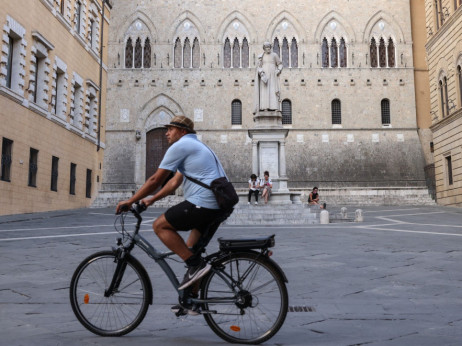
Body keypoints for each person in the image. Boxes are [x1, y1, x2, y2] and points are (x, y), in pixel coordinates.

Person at [116, 115, 230, 314]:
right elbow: (173, 183)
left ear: (182, 131)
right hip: (219, 205)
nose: (166, 133)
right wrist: (151, 200)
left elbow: (155, 180)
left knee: (160, 226)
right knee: (191, 251)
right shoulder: (195, 147)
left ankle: (196, 265)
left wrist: (130, 201)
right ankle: (192, 300)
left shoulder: (181, 146)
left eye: (170, 129)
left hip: (204, 204)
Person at [253, 42, 283, 115]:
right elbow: (258, 67)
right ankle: (264, 108)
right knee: (264, 92)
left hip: (273, 76)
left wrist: (278, 70)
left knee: (273, 91)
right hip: (264, 77)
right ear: (264, 49)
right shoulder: (261, 56)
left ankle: (275, 108)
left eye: (269, 47)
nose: (268, 49)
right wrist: (261, 73)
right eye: (266, 47)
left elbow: (280, 64)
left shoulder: (274, 55)